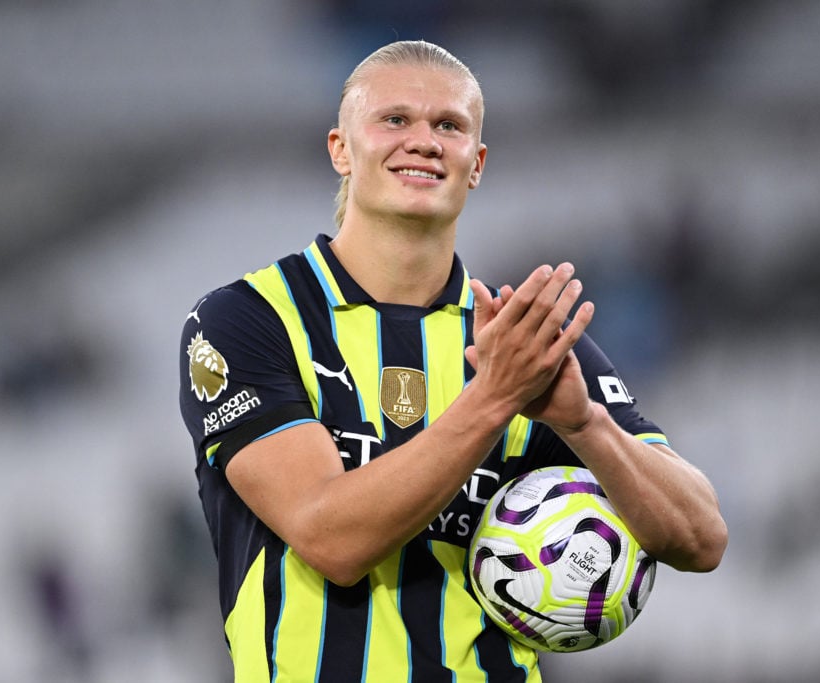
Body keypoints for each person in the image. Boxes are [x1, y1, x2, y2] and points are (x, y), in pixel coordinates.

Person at [178, 39, 727, 682]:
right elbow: (332, 538)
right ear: (340, 148)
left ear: (476, 163)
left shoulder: (523, 339)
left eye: (449, 126)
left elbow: (701, 538)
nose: (424, 140)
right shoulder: (246, 321)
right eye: (394, 120)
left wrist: (586, 426)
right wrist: (494, 400)